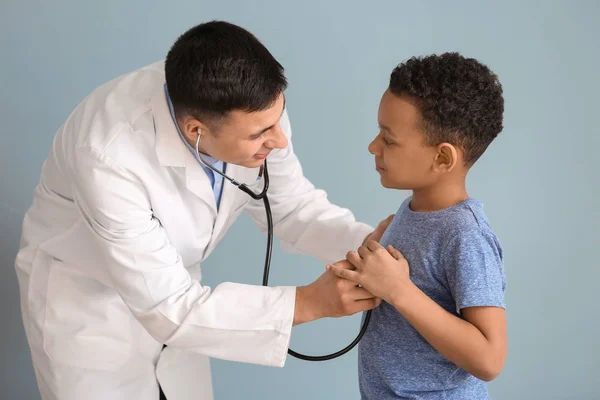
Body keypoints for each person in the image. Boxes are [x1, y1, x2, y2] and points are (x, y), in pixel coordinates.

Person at [14, 20, 391, 400]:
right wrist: (309, 302)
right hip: (91, 308)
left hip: (176, 289)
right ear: (196, 131)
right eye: (261, 135)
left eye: (278, 121)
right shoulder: (107, 155)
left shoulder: (254, 109)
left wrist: (373, 245)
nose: (278, 140)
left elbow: (292, 206)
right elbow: (169, 307)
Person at [329, 52, 508, 399]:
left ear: (442, 158)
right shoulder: (412, 210)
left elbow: (489, 359)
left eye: (388, 139)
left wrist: (400, 291)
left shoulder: (465, 234)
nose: (372, 146)